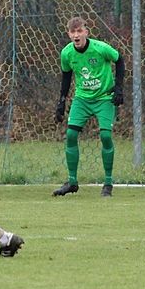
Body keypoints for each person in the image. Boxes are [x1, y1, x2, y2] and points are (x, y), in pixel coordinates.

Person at [53, 16, 124, 197]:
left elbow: (119, 60)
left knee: (106, 136)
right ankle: (72, 182)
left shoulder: (100, 48)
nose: (76, 35)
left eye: (79, 31)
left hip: (104, 98)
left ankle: (108, 183)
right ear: (69, 34)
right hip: (82, 99)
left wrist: (118, 88)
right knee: (71, 135)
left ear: (86, 31)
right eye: (73, 32)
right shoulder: (67, 53)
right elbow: (66, 77)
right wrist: (61, 102)